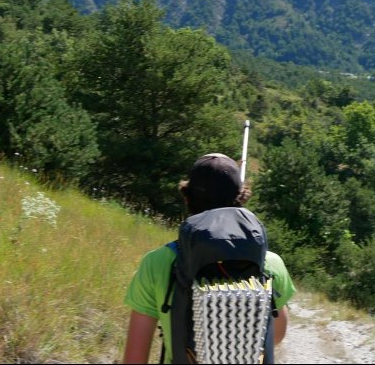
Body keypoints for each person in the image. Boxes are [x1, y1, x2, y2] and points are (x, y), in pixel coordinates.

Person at [122, 153, 296, 364]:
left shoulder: (156, 263)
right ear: (241, 198)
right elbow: (276, 334)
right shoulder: (270, 263)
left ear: (186, 197)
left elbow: (135, 358)